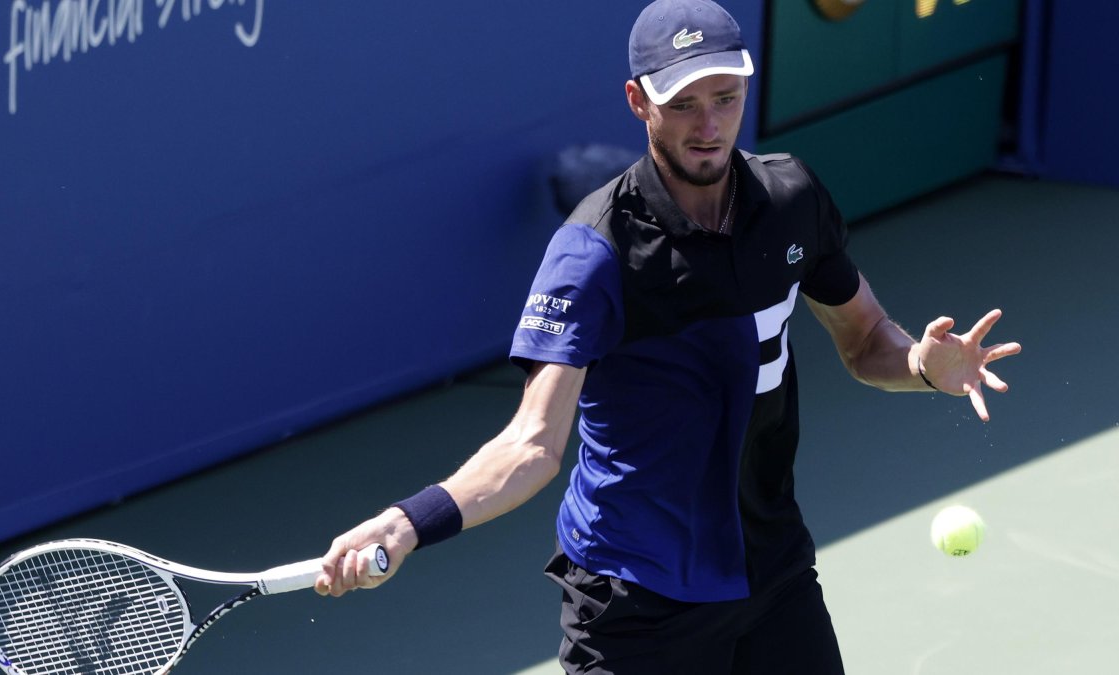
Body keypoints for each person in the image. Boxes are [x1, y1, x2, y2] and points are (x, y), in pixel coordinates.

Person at [313, 1, 1022, 672]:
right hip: (635, 600)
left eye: (725, 97)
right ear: (637, 100)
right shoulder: (593, 253)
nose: (708, 125)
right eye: (682, 103)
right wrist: (411, 521)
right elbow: (531, 443)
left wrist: (922, 363)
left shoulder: (791, 200)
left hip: (771, 570)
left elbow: (866, 336)